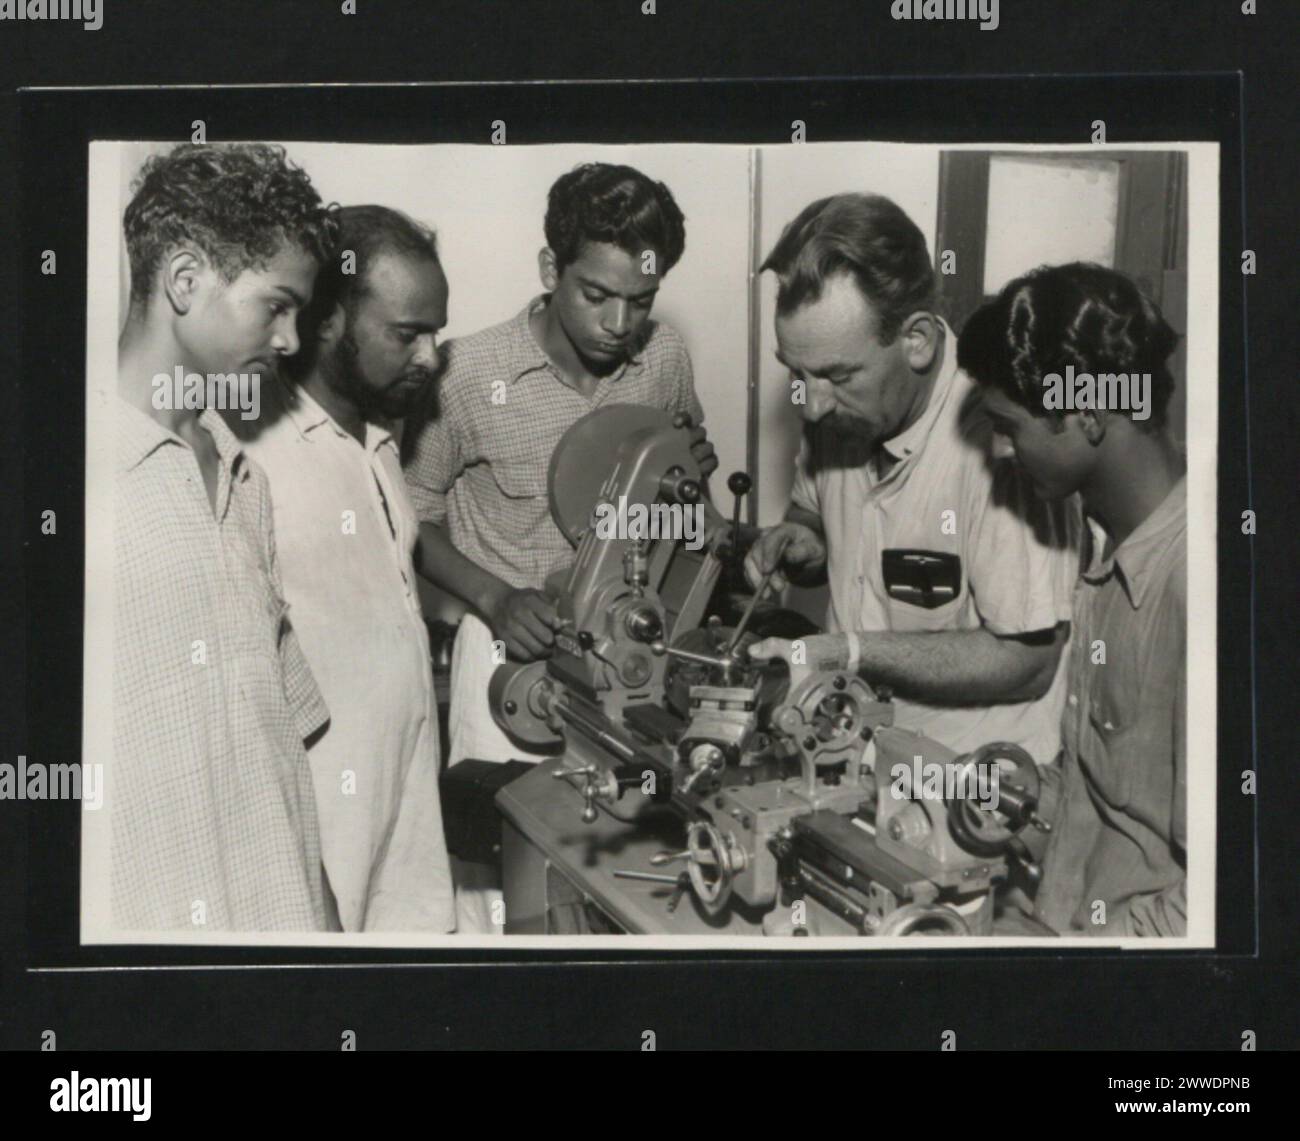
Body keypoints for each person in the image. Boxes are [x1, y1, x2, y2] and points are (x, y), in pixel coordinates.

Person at [402, 162, 716, 932]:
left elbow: (687, 477)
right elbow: (412, 520)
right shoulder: (467, 373)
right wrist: (496, 598)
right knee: (499, 894)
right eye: (596, 295)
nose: (618, 323)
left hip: (627, 662)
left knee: (621, 872)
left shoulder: (665, 358)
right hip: (510, 656)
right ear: (552, 269)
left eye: (639, 301)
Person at [745, 193, 1079, 767]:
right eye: (795, 373)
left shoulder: (1001, 443)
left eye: (836, 375)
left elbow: (1028, 662)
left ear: (917, 341)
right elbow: (813, 509)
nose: (812, 405)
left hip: (969, 784)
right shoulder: (834, 401)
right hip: (850, 753)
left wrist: (848, 652)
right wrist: (803, 540)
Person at [113, 142, 337, 930]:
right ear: (184, 281)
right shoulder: (80, 483)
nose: (289, 341)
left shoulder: (250, 484)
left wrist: (326, 926)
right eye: (276, 305)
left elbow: (284, 746)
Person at [234, 206, 455, 932]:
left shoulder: (380, 442)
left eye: (436, 333)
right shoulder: (255, 458)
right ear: (328, 320)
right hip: (317, 864)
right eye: (406, 334)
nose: (429, 358)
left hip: (405, 840)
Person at [959, 262, 1187, 937]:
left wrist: (1065, 962)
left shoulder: (1195, 590)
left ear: (1085, 411)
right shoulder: (1103, 546)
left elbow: (1225, 899)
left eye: (1008, 425)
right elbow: (1109, 799)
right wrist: (961, 787)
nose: (999, 449)